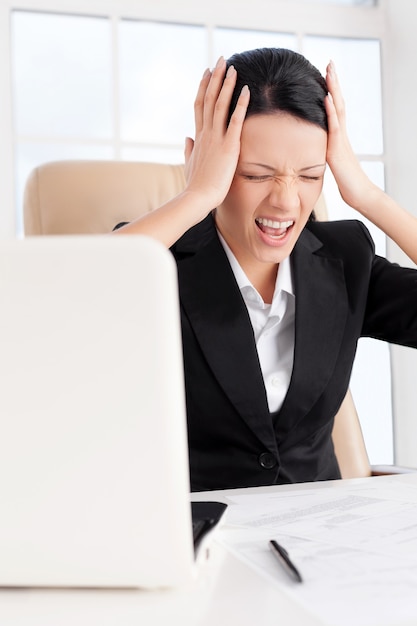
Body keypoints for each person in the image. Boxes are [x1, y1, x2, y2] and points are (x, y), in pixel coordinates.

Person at [114, 48, 417, 492]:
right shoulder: (155, 260)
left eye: (311, 176)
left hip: (321, 536)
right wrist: (197, 196)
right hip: (197, 540)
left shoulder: (343, 259)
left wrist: (369, 195)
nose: (286, 202)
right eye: (256, 174)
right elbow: (62, 309)